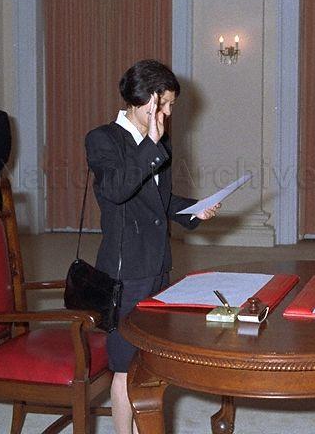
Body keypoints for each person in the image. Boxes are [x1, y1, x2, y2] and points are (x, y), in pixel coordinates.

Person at [85, 59, 220, 434]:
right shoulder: (103, 139)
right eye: (166, 104)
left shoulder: (159, 144)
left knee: (154, 357)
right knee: (126, 363)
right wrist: (151, 146)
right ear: (145, 101)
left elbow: (157, 200)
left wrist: (193, 210)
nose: (169, 113)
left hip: (159, 264)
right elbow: (116, 190)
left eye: (172, 106)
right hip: (126, 271)